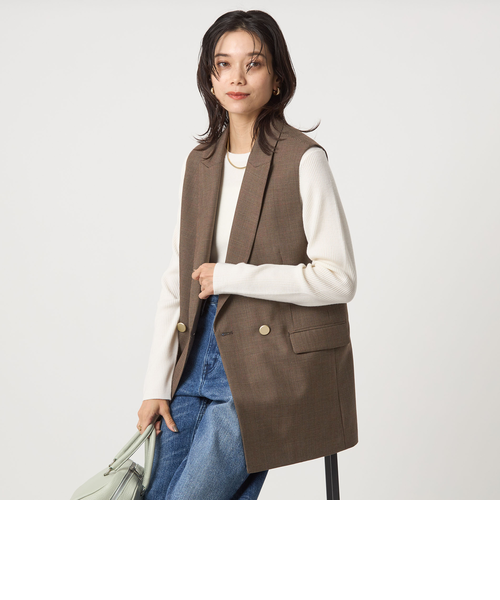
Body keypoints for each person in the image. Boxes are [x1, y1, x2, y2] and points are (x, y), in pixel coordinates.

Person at [137, 10, 358, 500]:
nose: (236, 77)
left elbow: (339, 278)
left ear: (277, 78)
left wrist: (234, 277)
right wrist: (156, 384)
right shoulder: (200, 163)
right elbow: (177, 278)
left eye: (253, 64)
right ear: (210, 78)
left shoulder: (303, 158)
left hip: (265, 365)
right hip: (194, 359)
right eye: (223, 64)